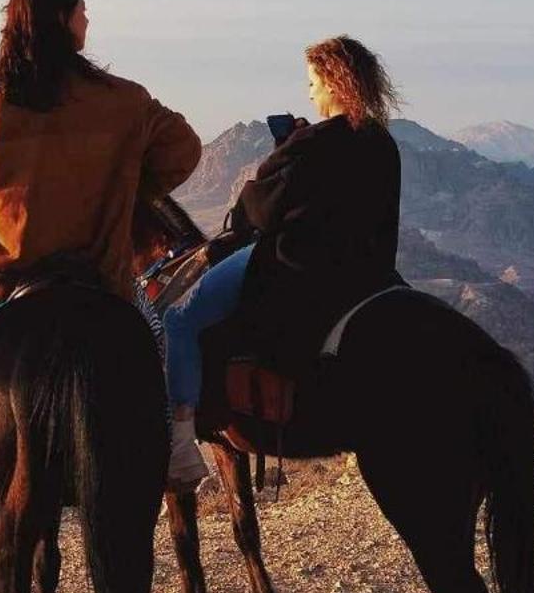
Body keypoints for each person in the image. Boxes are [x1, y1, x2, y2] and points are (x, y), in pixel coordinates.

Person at [0, 0, 201, 499]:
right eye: (82, 9)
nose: (88, 18)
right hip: (99, 275)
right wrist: (124, 190)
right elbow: (184, 151)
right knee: (151, 334)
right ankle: (171, 447)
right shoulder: (124, 99)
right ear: (63, 20)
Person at [164, 34, 403, 483]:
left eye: (313, 82)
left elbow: (257, 210)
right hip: (369, 272)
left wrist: (285, 149)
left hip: (297, 266)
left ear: (334, 83)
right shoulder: (382, 143)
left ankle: (178, 441)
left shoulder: (311, 143)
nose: (310, 92)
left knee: (179, 318)